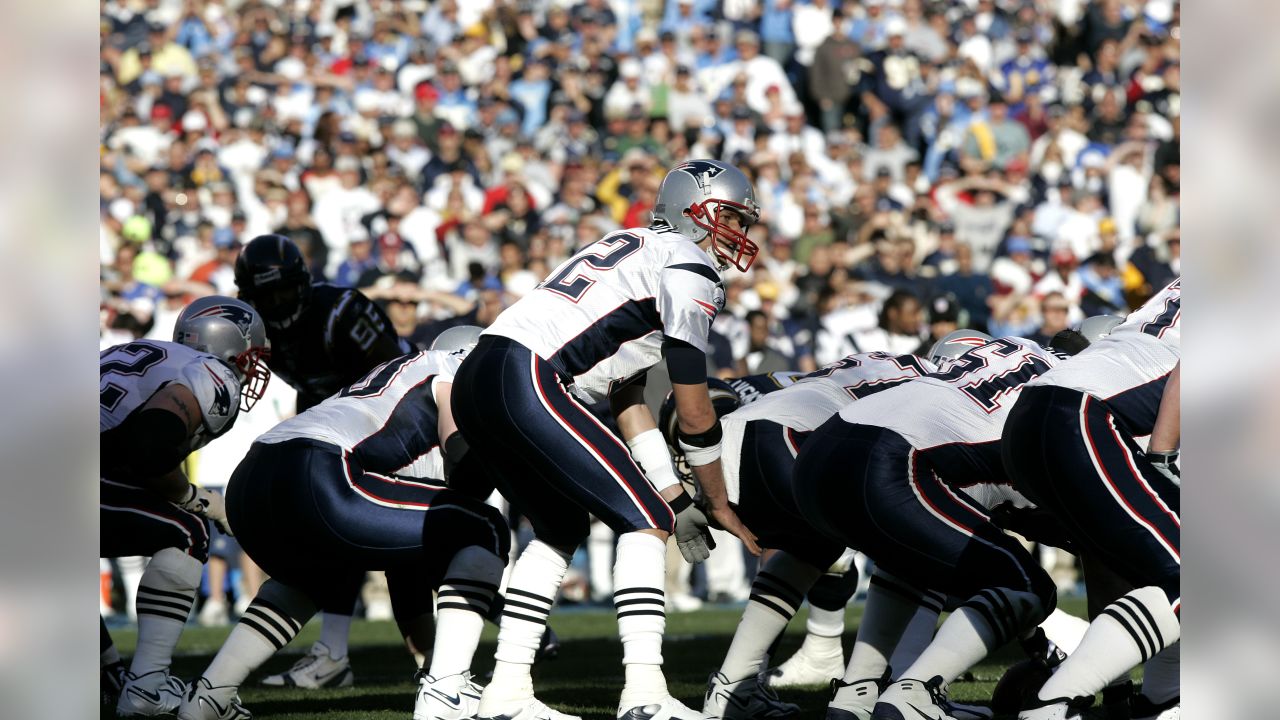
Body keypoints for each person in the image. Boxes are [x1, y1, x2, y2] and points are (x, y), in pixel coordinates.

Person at [451, 159, 762, 720]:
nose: (738, 234)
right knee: (642, 520)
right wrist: (714, 502)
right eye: (730, 217)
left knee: (560, 525)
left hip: (483, 373)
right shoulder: (689, 264)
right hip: (526, 375)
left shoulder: (636, 247)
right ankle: (645, 695)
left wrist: (672, 490)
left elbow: (627, 397)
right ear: (695, 210)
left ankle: (506, 692)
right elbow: (693, 411)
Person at [176, 327, 513, 720]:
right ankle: (448, 688)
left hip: (254, 476)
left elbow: (408, 566)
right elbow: (462, 461)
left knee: (315, 578)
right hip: (316, 469)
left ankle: (208, 697)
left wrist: (428, 663)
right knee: (483, 526)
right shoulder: (452, 368)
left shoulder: (401, 377)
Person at [791, 331, 1077, 719]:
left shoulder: (1012, 347)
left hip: (820, 450)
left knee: (911, 562)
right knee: (1028, 586)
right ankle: (914, 694)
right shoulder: (1073, 390)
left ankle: (855, 696)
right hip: (889, 460)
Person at [672, 352, 935, 718]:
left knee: (812, 548)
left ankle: (733, 690)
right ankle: (878, 691)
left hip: (736, 437)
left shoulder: (881, 361)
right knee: (913, 547)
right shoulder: (944, 384)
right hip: (795, 439)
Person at [232, 234, 410, 688]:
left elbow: (393, 377)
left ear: (303, 284)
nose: (275, 303)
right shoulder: (257, 326)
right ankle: (334, 654)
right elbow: (311, 390)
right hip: (330, 423)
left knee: (421, 545)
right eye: (264, 295)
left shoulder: (340, 311)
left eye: (283, 292)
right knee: (331, 539)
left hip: (395, 419)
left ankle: (505, 628)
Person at [1004, 279, 1181, 720]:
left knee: (1128, 560)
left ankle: (1150, 699)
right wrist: (1164, 453)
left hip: (1035, 412)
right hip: (1085, 416)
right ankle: (1054, 701)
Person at [101, 297, 271, 716]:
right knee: (187, 531)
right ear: (232, 349)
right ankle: (148, 686)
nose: (252, 369)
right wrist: (197, 500)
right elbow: (151, 448)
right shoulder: (207, 373)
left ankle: (110, 678)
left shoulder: (129, 352)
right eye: (251, 357)